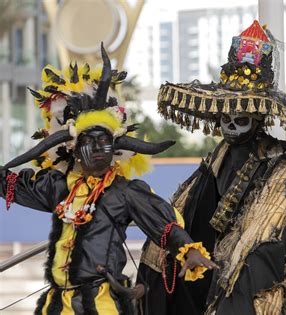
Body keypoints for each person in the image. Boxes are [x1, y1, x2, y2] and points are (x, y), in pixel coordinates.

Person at [137, 20, 286, 315]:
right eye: (225, 119)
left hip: (261, 260)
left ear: (257, 120)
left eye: (241, 119)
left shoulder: (280, 172)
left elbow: (271, 235)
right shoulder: (213, 164)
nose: (231, 127)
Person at [0, 45, 216, 314]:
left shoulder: (125, 192)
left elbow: (165, 227)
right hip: (58, 305)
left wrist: (189, 250)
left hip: (102, 303)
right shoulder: (57, 186)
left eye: (105, 142)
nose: (99, 148)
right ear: (75, 150)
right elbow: (11, 184)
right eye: (89, 142)